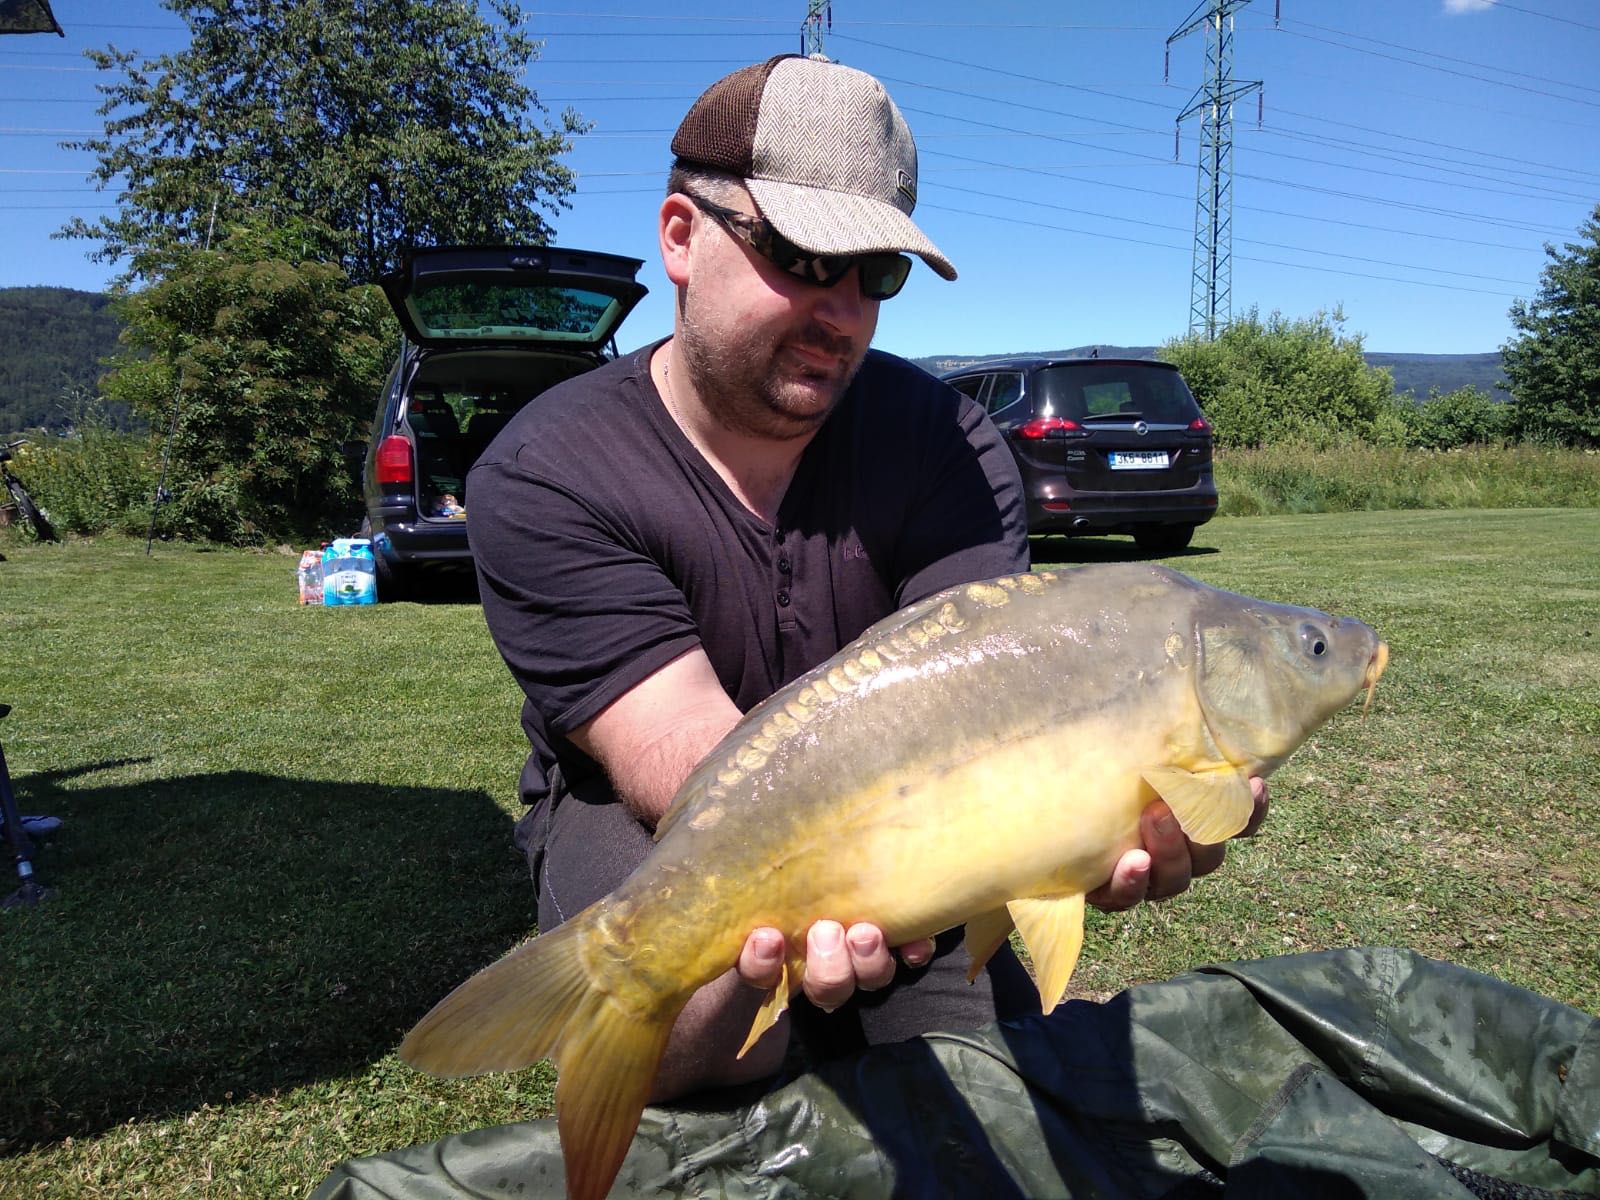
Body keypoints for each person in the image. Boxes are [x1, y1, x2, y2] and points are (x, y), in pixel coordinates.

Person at [467, 54, 1267, 1104]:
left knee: (980, 1087)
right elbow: (672, 751)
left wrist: (1077, 824)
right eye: (799, 254)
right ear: (679, 236)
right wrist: (840, 880)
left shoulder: (945, 440)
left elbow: (993, 696)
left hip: (914, 809)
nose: (839, 310)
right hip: (643, 810)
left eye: (874, 274)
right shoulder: (548, 471)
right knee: (693, 1034)